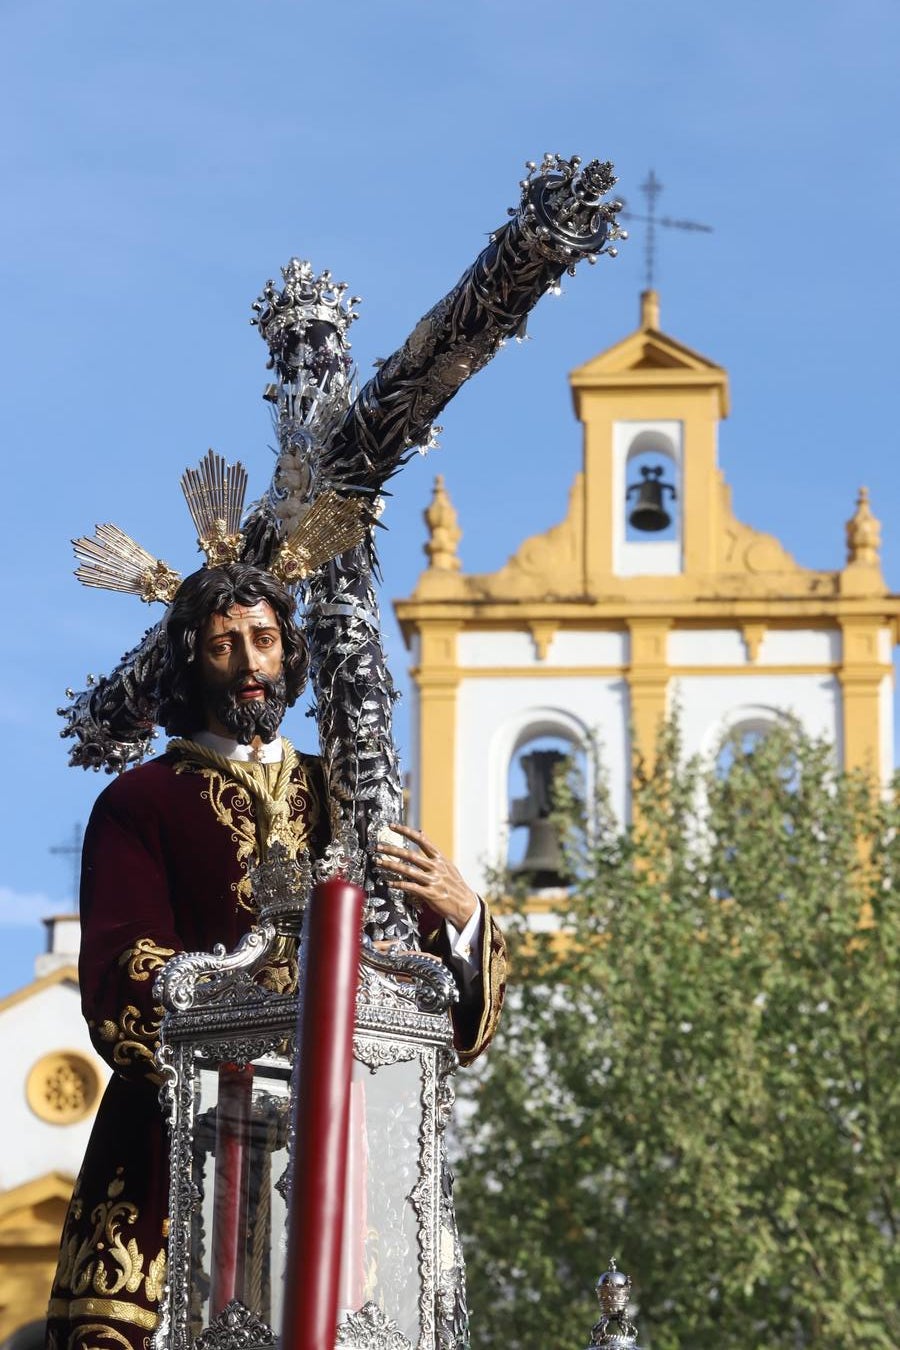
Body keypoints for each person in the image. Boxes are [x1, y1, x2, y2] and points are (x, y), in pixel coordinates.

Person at [46, 562, 507, 1350]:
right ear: (191, 660)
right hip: (174, 1163)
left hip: (332, 1165)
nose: (250, 664)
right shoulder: (137, 803)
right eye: (224, 645)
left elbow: (435, 1002)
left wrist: (464, 918)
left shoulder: (349, 797)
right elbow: (122, 977)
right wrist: (250, 1022)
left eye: (264, 640)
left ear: (291, 653)